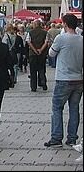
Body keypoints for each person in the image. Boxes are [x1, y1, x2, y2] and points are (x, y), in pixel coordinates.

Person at [44, 13, 83, 148]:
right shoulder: (81, 39)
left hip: (63, 78)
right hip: (78, 79)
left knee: (57, 108)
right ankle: (72, 138)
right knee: (74, 109)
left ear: (65, 24)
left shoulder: (61, 38)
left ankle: (56, 138)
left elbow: (51, 53)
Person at [27, 19, 49, 91]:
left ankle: (33, 87)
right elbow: (46, 42)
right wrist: (41, 49)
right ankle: (43, 83)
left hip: (32, 54)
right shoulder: (45, 32)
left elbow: (29, 42)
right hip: (42, 54)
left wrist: (35, 50)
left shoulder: (30, 32)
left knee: (33, 71)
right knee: (42, 70)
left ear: (35, 25)